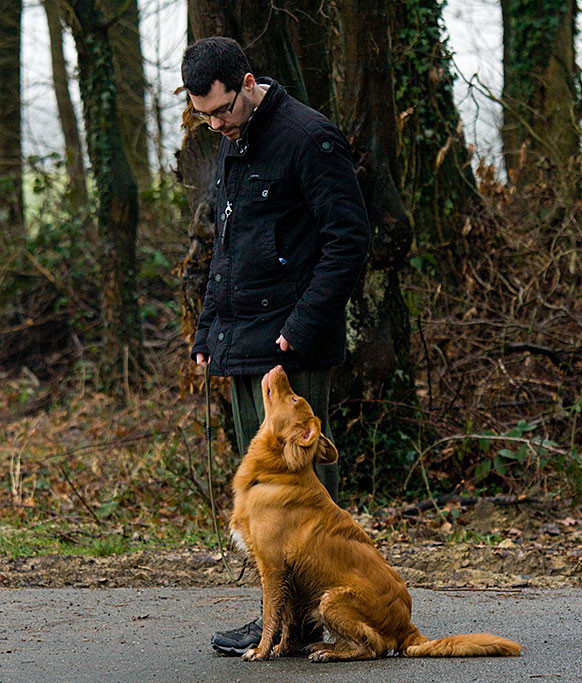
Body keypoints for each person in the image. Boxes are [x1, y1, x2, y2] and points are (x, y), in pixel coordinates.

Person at [181, 36, 371, 656]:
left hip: (294, 348)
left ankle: (323, 614)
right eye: (204, 116)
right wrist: (208, 330)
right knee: (265, 499)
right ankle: (281, 621)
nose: (216, 124)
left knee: (307, 497)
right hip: (240, 343)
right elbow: (227, 249)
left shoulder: (309, 137)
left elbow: (348, 240)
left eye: (222, 110)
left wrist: (303, 326)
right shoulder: (232, 141)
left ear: (248, 83)